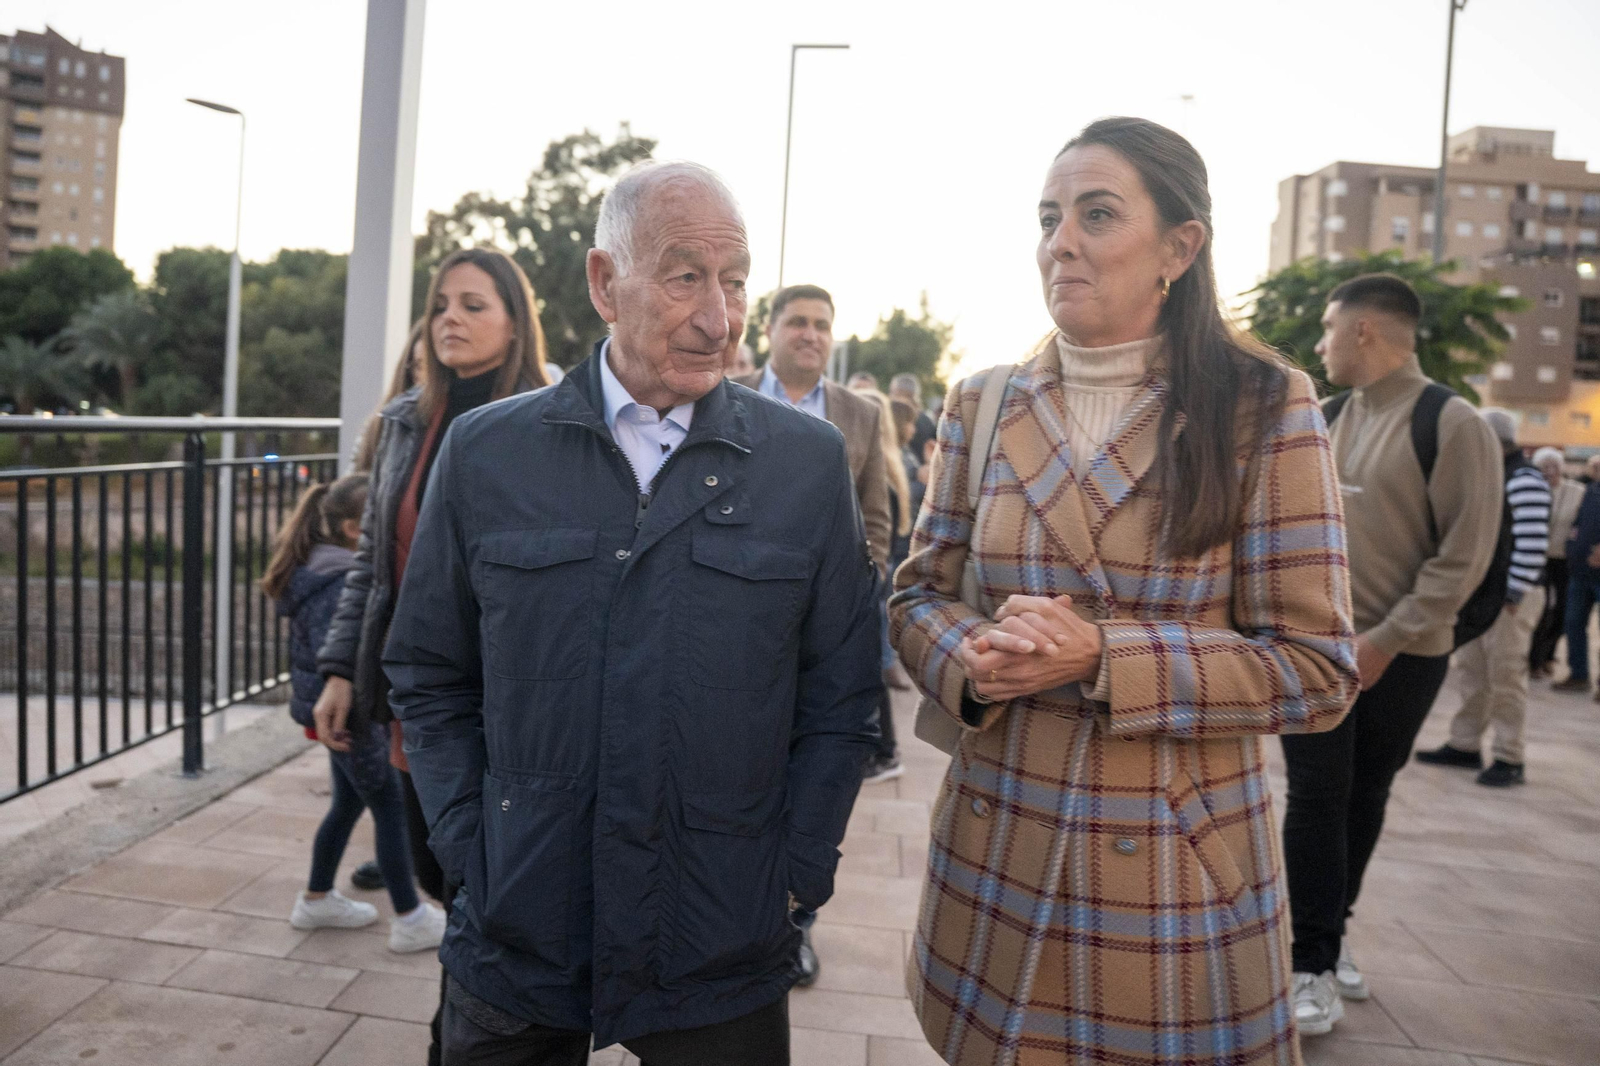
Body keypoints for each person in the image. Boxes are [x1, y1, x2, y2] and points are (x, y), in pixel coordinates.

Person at [384, 160, 881, 1066]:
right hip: (518, 929)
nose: (719, 317)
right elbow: (428, 671)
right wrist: (470, 848)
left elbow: (843, 699)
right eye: (686, 275)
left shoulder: (807, 465)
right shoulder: (488, 452)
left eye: (734, 282)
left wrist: (796, 872)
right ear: (605, 283)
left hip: (722, 940)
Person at [891, 117, 1358, 1066]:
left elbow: (1316, 671)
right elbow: (915, 596)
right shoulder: (981, 401)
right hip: (999, 848)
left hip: (1171, 871)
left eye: (1097, 214)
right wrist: (971, 661)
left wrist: (1105, 657)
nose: (1061, 241)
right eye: (1049, 216)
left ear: (1179, 248)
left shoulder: (1268, 404)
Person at [315, 246, 550, 1065]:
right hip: (420, 701)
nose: (448, 317)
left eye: (473, 304)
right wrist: (344, 667)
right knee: (438, 867)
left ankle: (461, 1038)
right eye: (441, 302)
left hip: (517, 702)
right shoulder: (406, 420)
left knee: (497, 887)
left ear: (516, 322)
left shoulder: (554, 419)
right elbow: (376, 563)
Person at [1280, 272, 1502, 1035]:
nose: (1320, 344)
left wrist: (1385, 639)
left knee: (1364, 794)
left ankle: (1329, 933)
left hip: (1405, 657)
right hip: (1316, 656)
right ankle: (1307, 962)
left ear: (1365, 332)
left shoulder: (1452, 421)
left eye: (1327, 328)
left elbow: (1462, 559)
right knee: (1314, 795)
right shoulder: (1326, 416)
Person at [730, 284, 894, 985]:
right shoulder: (723, 392)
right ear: (768, 330)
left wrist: (850, 594)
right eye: (796, 321)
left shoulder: (859, 413)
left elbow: (877, 518)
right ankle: (726, 911)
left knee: (815, 775)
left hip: (819, 637)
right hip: (732, 624)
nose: (810, 334)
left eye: (822, 325)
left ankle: (795, 927)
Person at [264, 474, 447, 951]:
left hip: (339, 718)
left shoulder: (322, 568)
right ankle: (410, 917)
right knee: (389, 807)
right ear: (352, 530)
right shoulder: (339, 580)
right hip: (350, 718)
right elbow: (340, 660)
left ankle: (316, 898)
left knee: (348, 803)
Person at [1416, 410, 1550, 786]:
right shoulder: (1495, 474)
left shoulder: (1524, 478)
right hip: (1486, 595)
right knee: (1474, 673)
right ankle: (1465, 744)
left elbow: (1532, 541)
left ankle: (1510, 755)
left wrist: (1514, 592)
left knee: (1506, 676)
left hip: (1512, 597)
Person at [858, 387, 914, 784]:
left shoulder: (885, 478)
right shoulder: (892, 470)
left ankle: (886, 752)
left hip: (877, 582)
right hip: (882, 579)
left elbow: (882, 534)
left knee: (873, 668)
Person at [1528, 447, 1583, 678]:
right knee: (1540, 610)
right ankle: (1535, 660)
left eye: (1554, 466)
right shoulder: (1534, 491)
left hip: (1564, 559)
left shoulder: (1577, 491)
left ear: (1561, 468)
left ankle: (1549, 655)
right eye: (1544, 467)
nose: (1550, 471)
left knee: (1562, 610)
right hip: (1539, 557)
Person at [1558, 476, 1600, 694]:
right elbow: (1579, 521)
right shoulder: (1592, 490)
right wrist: (1571, 545)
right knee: (1573, 623)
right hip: (1580, 572)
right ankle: (1579, 675)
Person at [889, 372, 937, 459]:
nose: (890, 396)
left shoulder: (898, 419)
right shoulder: (927, 420)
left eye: (892, 392)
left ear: (900, 392)